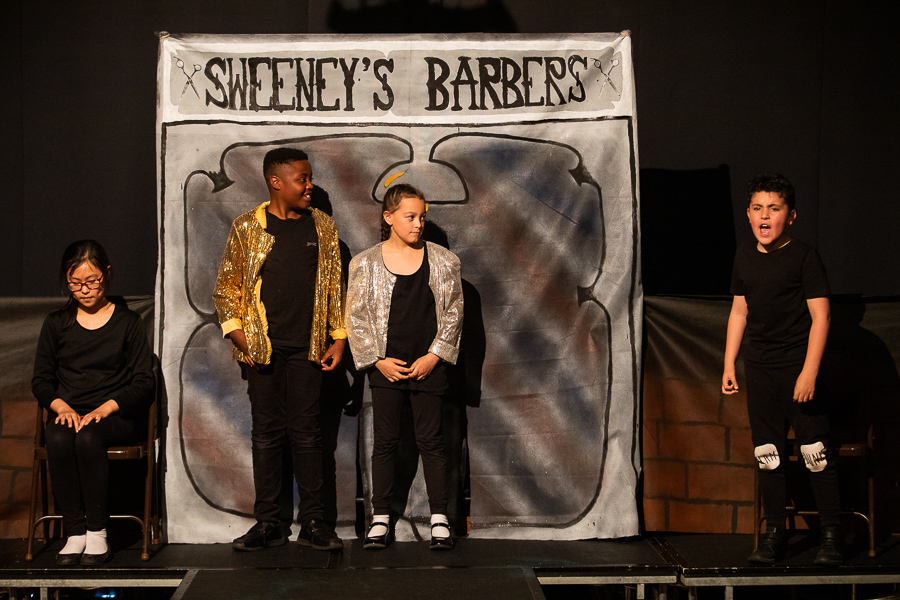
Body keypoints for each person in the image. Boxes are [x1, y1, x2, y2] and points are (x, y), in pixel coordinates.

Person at [213, 147, 346, 551]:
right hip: (263, 353)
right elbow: (226, 290)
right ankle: (269, 522)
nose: (310, 186)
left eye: (309, 178)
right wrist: (240, 337)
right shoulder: (246, 227)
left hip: (308, 349)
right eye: (302, 179)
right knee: (267, 435)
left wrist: (339, 337)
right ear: (277, 182)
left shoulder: (322, 226)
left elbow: (333, 288)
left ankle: (314, 522)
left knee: (308, 434)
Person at [722, 173, 842, 566]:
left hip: (798, 367)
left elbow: (821, 318)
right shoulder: (743, 255)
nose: (764, 216)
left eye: (774, 208)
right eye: (758, 208)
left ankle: (831, 535)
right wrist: (729, 363)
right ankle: (776, 534)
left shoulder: (804, 257)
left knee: (814, 452)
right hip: (760, 368)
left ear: (790, 215)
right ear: (748, 213)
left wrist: (808, 373)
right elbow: (740, 310)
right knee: (768, 453)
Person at [346, 183, 463, 550]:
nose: (418, 224)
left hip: (429, 366)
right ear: (389, 217)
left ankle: (440, 518)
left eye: (422, 217)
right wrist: (377, 362)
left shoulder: (444, 260)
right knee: (385, 442)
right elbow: (356, 317)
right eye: (410, 217)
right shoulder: (364, 263)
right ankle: (381, 517)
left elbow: (455, 312)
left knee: (432, 441)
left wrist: (434, 356)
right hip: (387, 369)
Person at [32, 240, 154, 566]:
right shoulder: (56, 323)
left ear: (107, 275)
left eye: (92, 281)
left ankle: (97, 534)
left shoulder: (127, 323)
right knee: (58, 436)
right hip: (70, 410)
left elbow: (143, 380)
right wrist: (61, 407)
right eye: (75, 283)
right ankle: (75, 533)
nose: (85, 290)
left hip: (114, 415)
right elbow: (41, 381)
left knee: (88, 437)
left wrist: (106, 407)